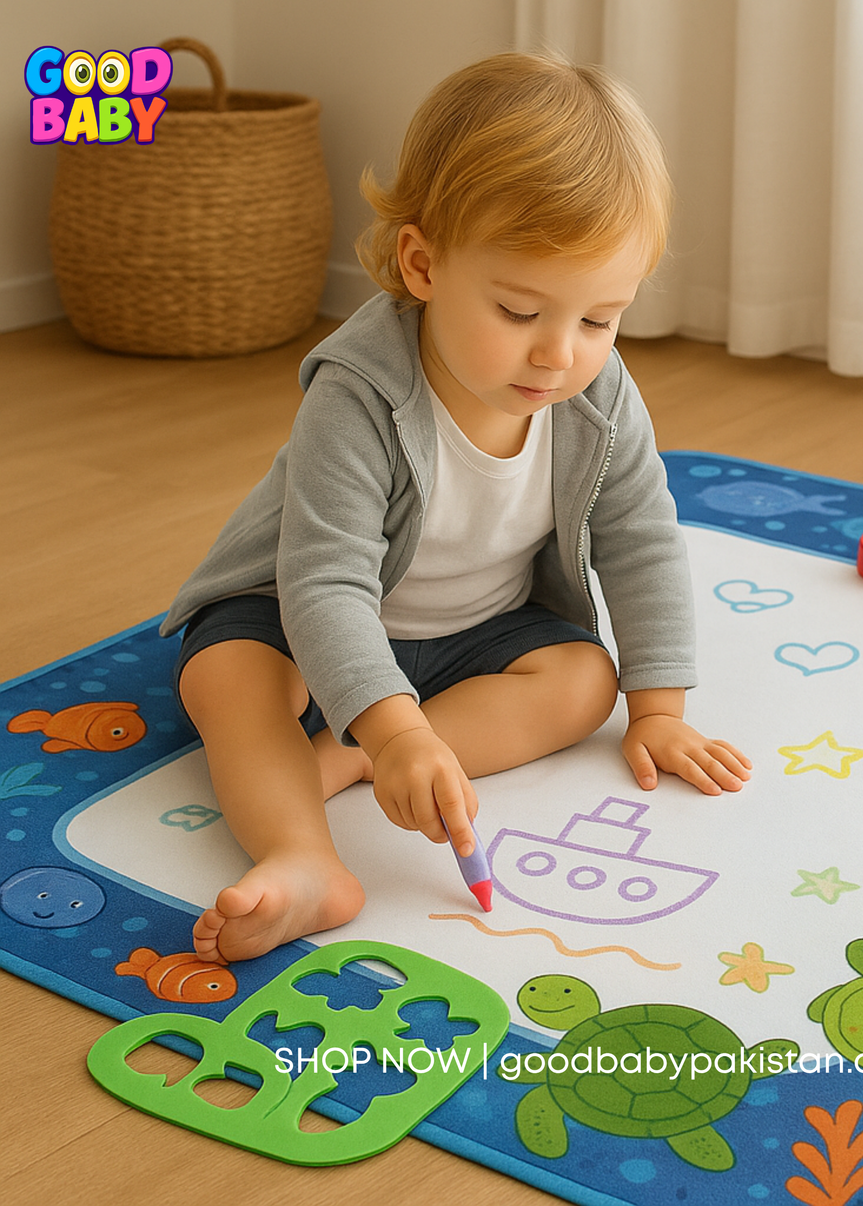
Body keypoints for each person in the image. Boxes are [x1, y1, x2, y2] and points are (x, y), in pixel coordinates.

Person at [160, 52, 751, 965]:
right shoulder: (359, 394)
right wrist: (392, 721)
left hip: (477, 628)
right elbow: (323, 583)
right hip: (299, 617)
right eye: (519, 310)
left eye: (599, 319)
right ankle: (306, 857)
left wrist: (659, 708)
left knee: (586, 682)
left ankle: (350, 760)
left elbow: (641, 538)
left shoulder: (597, 396)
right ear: (423, 263)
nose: (560, 354)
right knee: (226, 678)